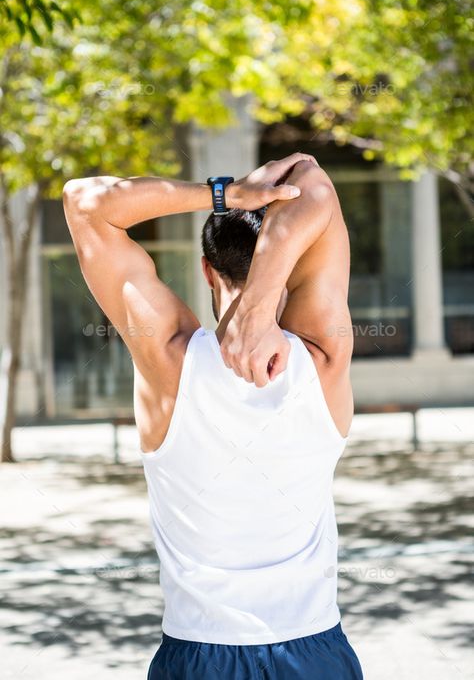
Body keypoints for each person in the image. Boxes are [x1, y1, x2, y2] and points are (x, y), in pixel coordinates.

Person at [63, 152, 363, 679]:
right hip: (314, 653)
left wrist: (224, 193)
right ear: (292, 262)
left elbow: (83, 202)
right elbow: (313, 181)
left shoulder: (170, 361)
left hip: (199, 656)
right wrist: (263, 300)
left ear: (206, 268)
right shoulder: (321, 357)